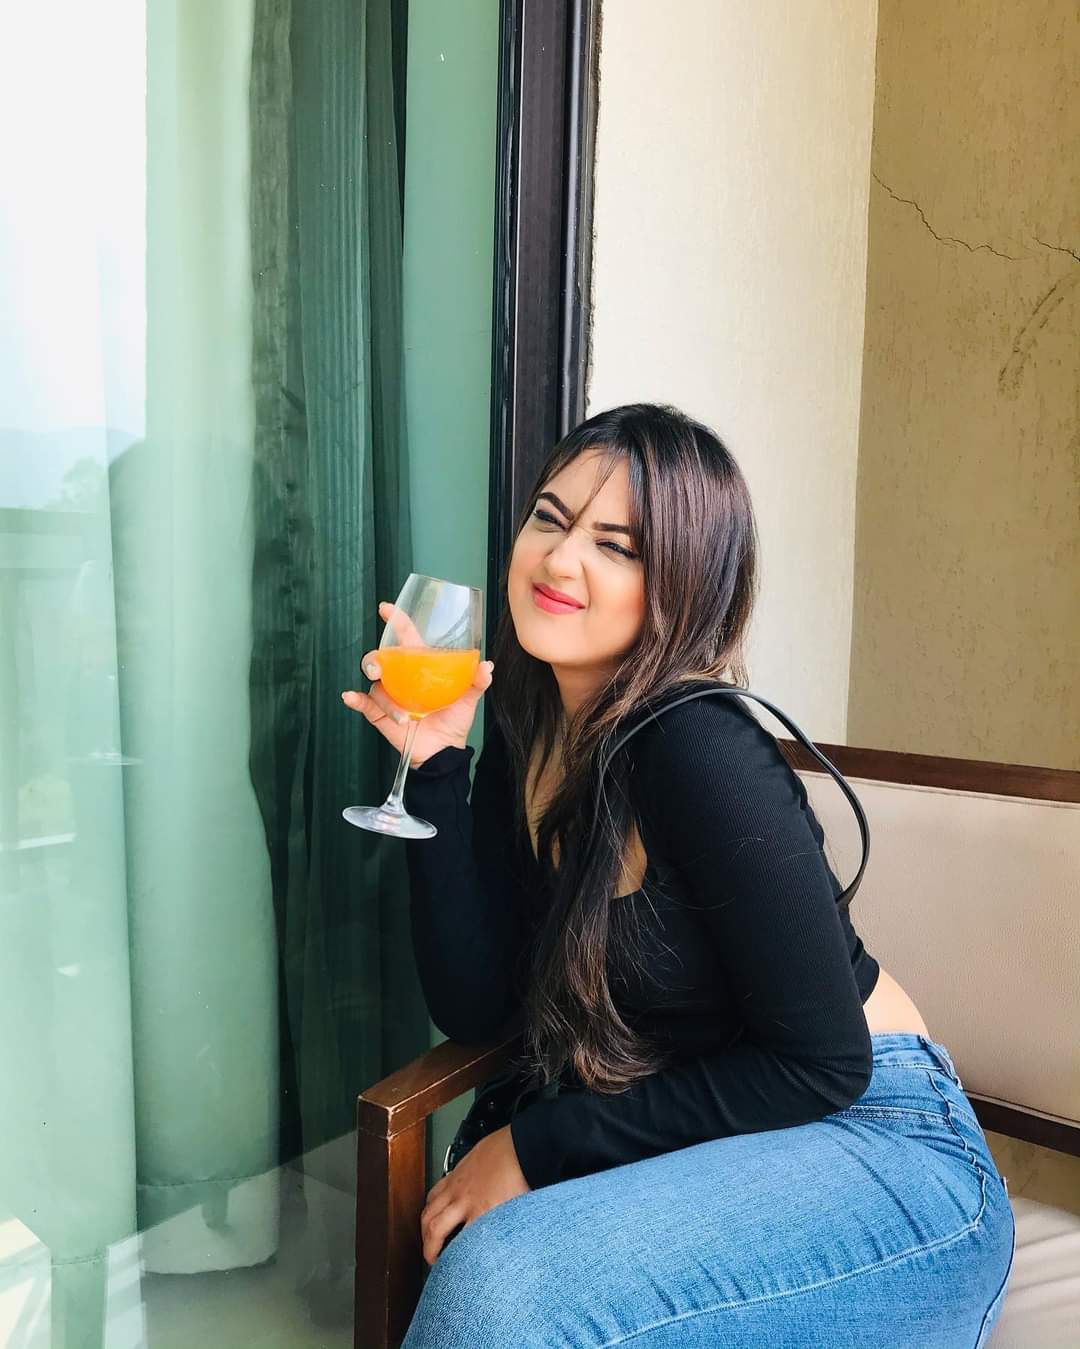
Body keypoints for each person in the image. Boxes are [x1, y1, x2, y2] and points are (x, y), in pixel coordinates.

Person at [342, 404, 1015, 1347]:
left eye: (615, 545)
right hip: (723, 1137)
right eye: (549, 518)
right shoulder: (535, 731)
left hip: (882, 1144)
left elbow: (824, 1063)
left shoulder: (699, 746)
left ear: (683, 584)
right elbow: (478, 1004)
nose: (560, 558)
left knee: (502, 1284)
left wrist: (535, 1146)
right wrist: (439, 769)